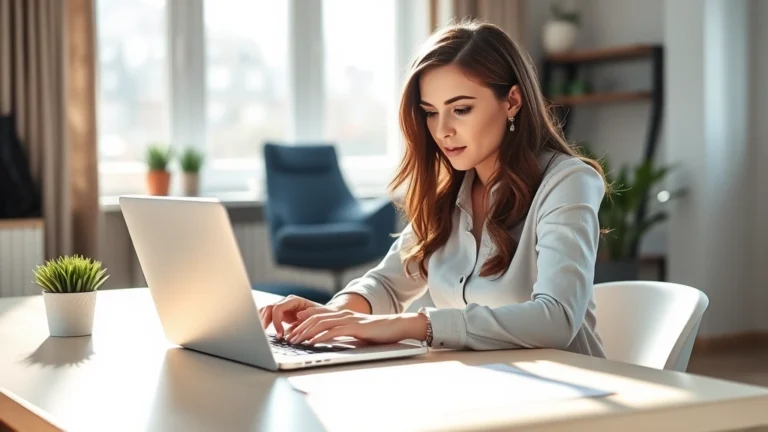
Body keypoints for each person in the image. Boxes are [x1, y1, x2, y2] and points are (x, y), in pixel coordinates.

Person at [258, 19, 609, 357]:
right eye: (430, 112)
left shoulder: (567, 182)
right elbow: (387, 284)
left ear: (512, 101)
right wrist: (332, 317)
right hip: (487, 387)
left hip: (574, 392)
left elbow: (557, 318)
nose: (441, 130)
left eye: (461, 109)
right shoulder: (450, 193)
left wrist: (414, 324)